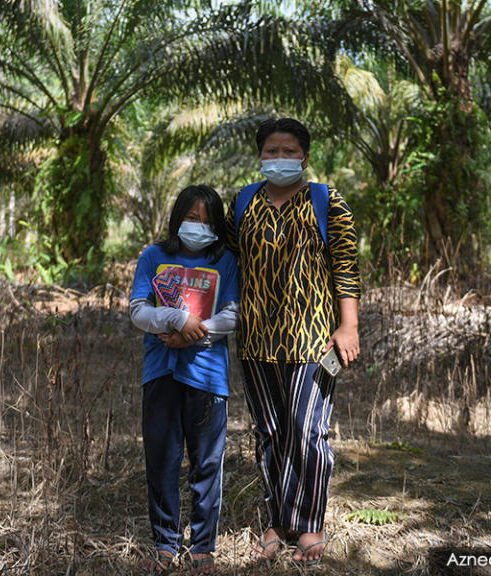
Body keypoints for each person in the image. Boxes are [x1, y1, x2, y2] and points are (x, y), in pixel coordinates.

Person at [226, 118, 361, 566]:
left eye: (288, 150)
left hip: (315, 340)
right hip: (257, 339)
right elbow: (226, 262)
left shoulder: (326, 201)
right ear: (260, 155)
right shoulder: (244, 201)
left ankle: (309, 525)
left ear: (304, 156)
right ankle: (276, 521)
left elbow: (345, 266)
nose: (279, 157)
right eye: (271, 150)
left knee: (308, 431)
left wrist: (349, 326)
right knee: (270, 433)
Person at [129, 185, 239, 576]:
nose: (199, 226)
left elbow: (233, 315)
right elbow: (139, 311)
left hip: (207, 376)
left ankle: (202, 548)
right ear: (178, 219)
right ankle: (164, 544)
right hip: (160, 371)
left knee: (206, 464)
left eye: (207, 220)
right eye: (192, 218)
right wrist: (176, 319)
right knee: (161, 459)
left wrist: (196, 331)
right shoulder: (154, 257)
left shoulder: (225, 261)